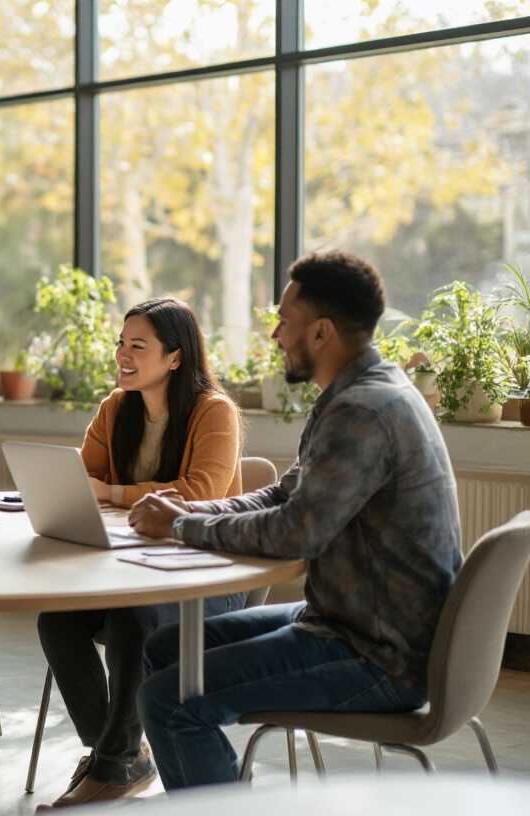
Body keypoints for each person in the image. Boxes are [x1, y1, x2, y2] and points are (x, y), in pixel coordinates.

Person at [130, 250, 463, 790]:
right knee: (163, 650)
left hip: (378, 655)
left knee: (167, 703)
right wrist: (189, 509)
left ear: (321, 332)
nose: (276, 335)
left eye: (285, 322)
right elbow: (282, 495)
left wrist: (180, 528)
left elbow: (295, 533)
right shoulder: (355, 394)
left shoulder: (363, 411)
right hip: (349, 623)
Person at [34, 297, 245, 809]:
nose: (122, 355)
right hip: (130, 568)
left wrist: (111, 493)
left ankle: (112, 765)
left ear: (175, 357)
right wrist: (96, 492)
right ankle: (119, 756)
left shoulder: (215, 411)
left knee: (133, 617)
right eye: (120, 344)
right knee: (56, 621)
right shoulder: (115, 408)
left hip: (207, 578)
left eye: (137, 346)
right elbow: (82, 480)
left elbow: (199, 493)